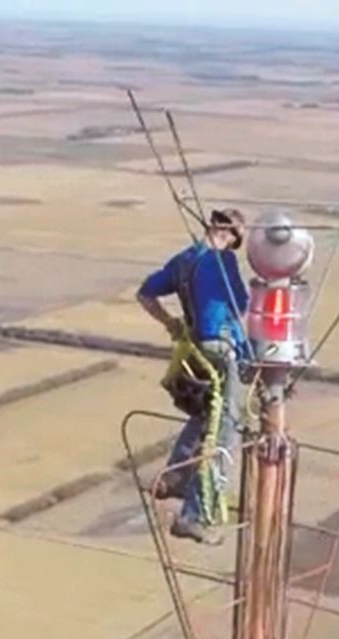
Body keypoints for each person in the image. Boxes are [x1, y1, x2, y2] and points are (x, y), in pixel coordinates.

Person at [136, 208, 250, 545]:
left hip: (198, 346)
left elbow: (145, 294)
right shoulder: (224, 262)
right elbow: (240, 306)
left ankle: (174, 477)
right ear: (230, 235)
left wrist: (171, 323)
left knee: (205, 413)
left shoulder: (184, 260)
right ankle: (196, 515)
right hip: (222, 347)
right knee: (226, 428)